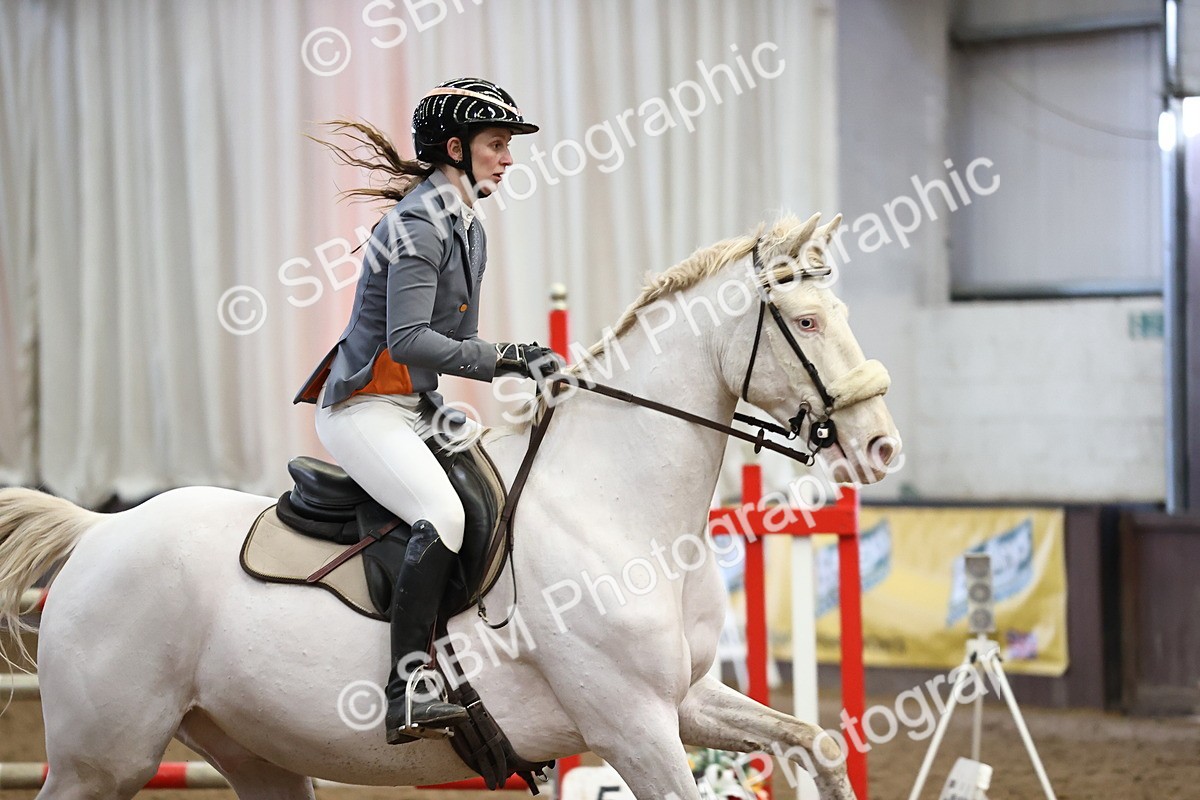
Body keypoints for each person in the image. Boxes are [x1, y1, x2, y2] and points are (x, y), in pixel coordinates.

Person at [294, 78, 558, 744]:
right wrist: (504, 358)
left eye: (506, 145)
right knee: (438, 514)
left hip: (415, 403)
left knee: (496, 476)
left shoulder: (467, 223)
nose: (507, 157)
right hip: (364, 408)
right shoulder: (417, 225)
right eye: (497, 144)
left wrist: (518, 360)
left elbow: (448, 344)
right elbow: (408, 340)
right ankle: (405, 688)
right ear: (454, 148)